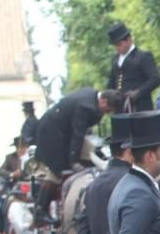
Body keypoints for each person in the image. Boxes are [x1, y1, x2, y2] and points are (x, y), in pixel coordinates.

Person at [34, 87, 121, 217]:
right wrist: (74, 162)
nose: (106, 114)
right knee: (59, 171)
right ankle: (41, 209)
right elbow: (78, 135)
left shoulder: (93, 96)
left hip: (63, 132)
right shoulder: (86, 107)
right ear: (103, 101)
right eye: (107, 110)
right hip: (51, 135)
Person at [106, 22, 160, 112]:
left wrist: (139, 92)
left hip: (140, 108)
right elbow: (111, 82)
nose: (117, 48)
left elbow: (155, 79)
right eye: (115, 45)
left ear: (128, 40)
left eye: (119, 44)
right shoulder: (115, 60)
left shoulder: (143, 56)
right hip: (120, 110)